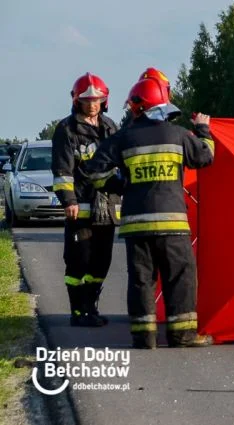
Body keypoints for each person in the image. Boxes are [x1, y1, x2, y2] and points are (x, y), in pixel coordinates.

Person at [83, 75, 215, 349]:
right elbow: (205, 156)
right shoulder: (178, 134)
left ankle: (144, 338)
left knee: (141, 280)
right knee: (179, 278)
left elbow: (94, 173)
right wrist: (202, 129)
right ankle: (183, 336)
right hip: (173, 225)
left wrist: (122, 185)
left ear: (136, 107)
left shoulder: (123, 138)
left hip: (136, 226)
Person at [52, 72, 121, 327]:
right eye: (87, 99)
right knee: (78, 260)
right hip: (80, 207)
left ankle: (91, 307)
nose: (92, 103)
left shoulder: (110, 127)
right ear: (76, 101)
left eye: (97, 99)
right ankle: (77, 312)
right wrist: (68, 200)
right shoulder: (66, 129)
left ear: (104, 100)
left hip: (107, 207)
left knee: (102, 261)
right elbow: (62, 169)